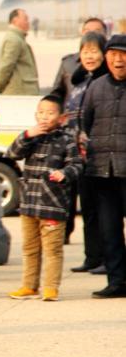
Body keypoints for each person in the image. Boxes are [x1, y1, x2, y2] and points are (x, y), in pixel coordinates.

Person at [4, 95, 81, 301]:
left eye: (50, 112)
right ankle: (29, 286)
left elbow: (77, 164)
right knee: (30, 248)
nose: (45, 116)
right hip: (29, 203)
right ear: (35, 115)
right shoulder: (31, 137)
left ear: (62, 118)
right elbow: (12, 154)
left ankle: (50, 288)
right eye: (41, 112)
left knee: (52, 250)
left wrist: (65, 173)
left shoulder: (67, 140)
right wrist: (27, 135)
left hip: (52, 204)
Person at [58, 32, 108, 273]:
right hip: (79, 155)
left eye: (94, 51)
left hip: (101, 154)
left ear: (104, 54)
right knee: (87, 208)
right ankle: (92, 256)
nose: (89, 56)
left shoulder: (107, 80)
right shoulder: (78, 81)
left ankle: (109, 258)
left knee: (105, 210)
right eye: (85, 51)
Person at [81, 34, 126, 298]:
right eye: (113, 55)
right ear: (106, 58)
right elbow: (85, 124)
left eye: (123, 55)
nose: (118, 60)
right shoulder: (96, 88)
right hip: (102, 172)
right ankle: (117, 281)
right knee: (109, 231)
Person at [0, 9, 39, 95]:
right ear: (15, 20)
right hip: (20, 91)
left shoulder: (18, 38)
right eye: (25, 19)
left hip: (23, 90)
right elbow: (7, 65)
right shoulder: (13, 39)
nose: (28, 22)